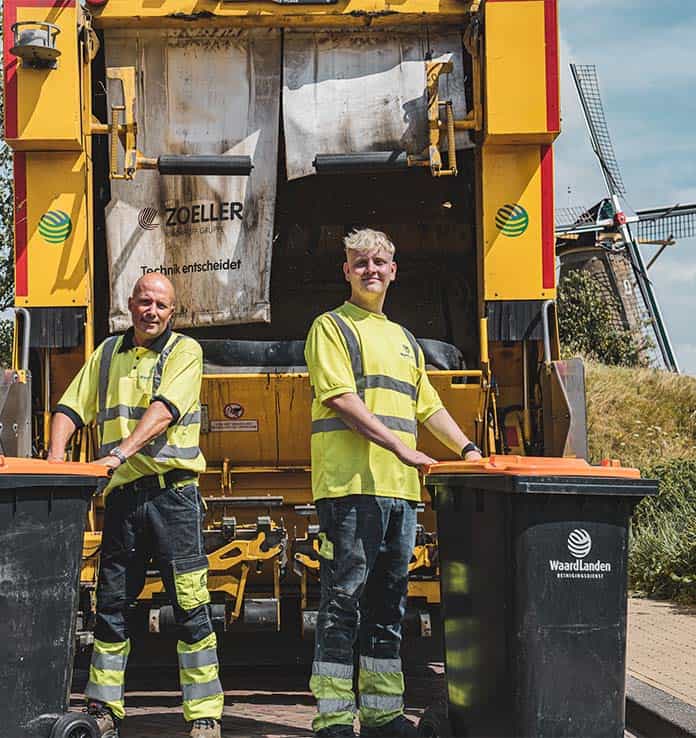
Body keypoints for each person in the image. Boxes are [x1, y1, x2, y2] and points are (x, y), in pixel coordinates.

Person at [304, 229, 483, 737]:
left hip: (401, 493)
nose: (371, 270)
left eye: (380, 261)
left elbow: (428, 405)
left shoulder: (405, 340)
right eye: (360, 262)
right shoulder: (331, 327)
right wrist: (402, 448)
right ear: (346, 271)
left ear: (393, 270)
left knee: (388, 607)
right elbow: (340, 398)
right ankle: (334, 720)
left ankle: (383, 717)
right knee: (343, 602)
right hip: (350, 490)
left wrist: (469, 450)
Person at [47, 274, 223, 738]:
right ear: (130, 303)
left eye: (162, 305)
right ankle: (104, 710)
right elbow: (68, 409)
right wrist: (55, 460)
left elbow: (165, 410)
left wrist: (118, 453)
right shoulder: (107, 354)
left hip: (174, 496)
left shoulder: (185, 352)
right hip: (124, 498)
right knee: (112, 604)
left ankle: (204, 713)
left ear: (172, 312)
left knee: (190, 603)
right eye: (145, 301)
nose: (152, 311)